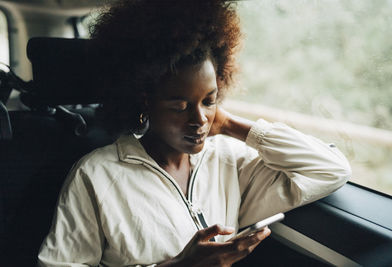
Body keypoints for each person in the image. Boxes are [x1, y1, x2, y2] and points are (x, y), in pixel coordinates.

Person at [37, 0, 351, 266]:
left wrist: (231, 125)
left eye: (209, 100)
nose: (199, 119)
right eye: (180, 105)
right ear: (143, 100)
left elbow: (330, 169)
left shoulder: (230, 160)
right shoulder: (96, 176)